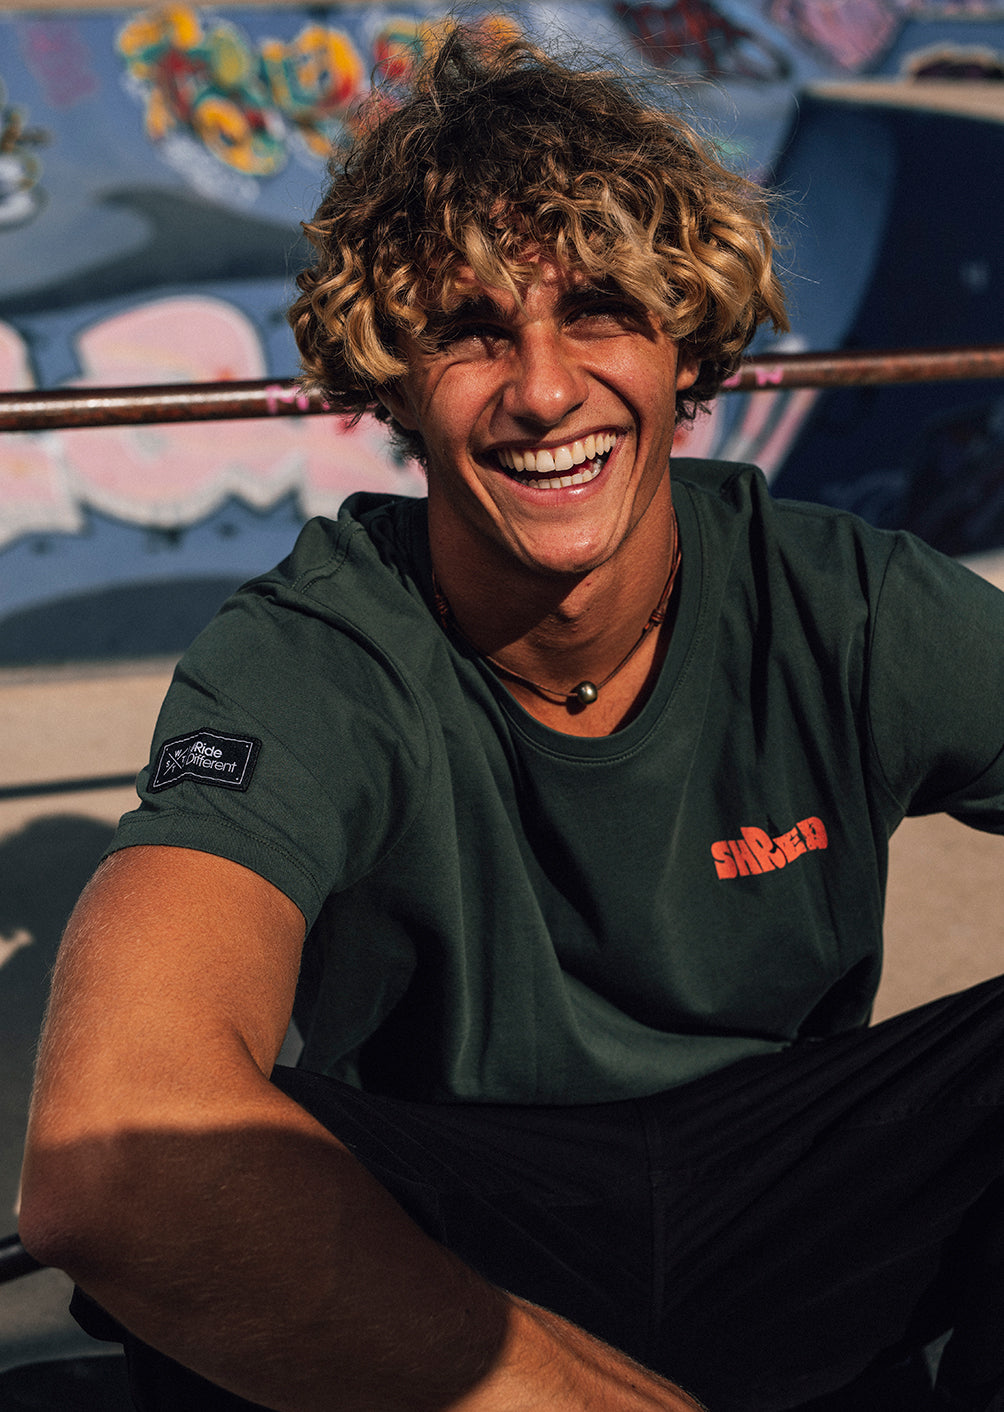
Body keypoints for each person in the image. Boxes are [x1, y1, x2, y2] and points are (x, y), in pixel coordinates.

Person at [17, 27, 1004, 1412]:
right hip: (461, 1216)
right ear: (393, 380)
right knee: (207, 1204)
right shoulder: (315, 654)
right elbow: (108, 1157)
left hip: (796, 1209)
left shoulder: (847, 603)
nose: (543, 389)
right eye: (473, 330)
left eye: (599, 311)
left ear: (686, 348)